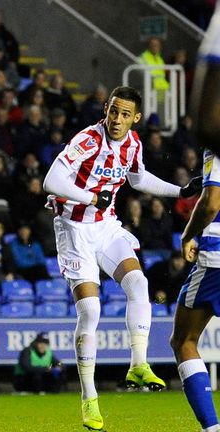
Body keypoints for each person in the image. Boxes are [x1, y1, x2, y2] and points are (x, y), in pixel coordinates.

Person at [42, 85, 202, 431]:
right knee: (91, 310)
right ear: (106, 108)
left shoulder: (133, 145)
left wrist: (181, 190)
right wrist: (88, 197)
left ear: (136, 118)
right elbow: (51, 180)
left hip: (105, 226)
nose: (117, 119)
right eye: (113, 111)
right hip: (73, 229)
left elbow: (138, 177)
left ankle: (138, 363)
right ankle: (89, 398)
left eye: (125, 114)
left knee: (138, 282)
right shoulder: (87, 139)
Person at [170, 11, 220, 430]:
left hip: (218, 255)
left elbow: (211, 202)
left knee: (184, 340)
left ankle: (211, 428)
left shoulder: (216, 137)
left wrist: (188, 233)